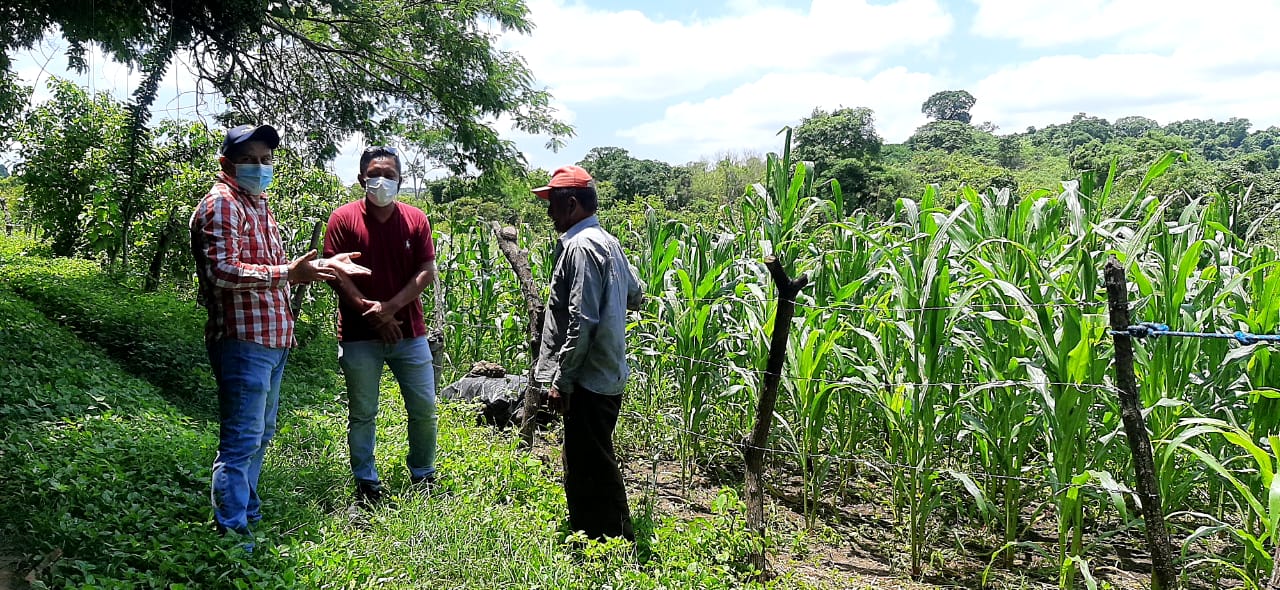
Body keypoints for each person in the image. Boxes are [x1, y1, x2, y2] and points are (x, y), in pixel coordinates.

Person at [190, 124, 369, 544]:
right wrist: (289, 272)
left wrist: (323, 265)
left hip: (272, 338)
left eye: (265, 160)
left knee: (261, 434)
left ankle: (246, 511)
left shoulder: (257, 204)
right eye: (249, 160)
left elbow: (273, 268)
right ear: (226, 163)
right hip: (243, 339)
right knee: (241, 440)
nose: (259, 167)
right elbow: (222, 272)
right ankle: (232, 533)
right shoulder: (222, 204)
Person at [532, 165, 644, 541]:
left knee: (592, 464)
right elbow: (636, 294)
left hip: (587, 376)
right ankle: (594, 538)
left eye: (552, 203)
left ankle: (613, 541)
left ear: (572, 204)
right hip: (608, 370)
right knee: (587, 458)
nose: (549, 212)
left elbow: (581, 320)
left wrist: (562, 380)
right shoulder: (608, 242)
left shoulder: (580, 248)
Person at [324, 146, 440, 505]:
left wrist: (389, 308)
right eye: (375, 174)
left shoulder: (415, 220)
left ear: (400, 180)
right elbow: (334, 272)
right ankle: (366, 483)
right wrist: (370, 313)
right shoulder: (343, 219)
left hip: (410, 332)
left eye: (390, 175)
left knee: (424, 409)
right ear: (362, 178)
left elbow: (426, 270)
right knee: (363, 413)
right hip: (359, 335)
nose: (382, 181)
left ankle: (423, 474)